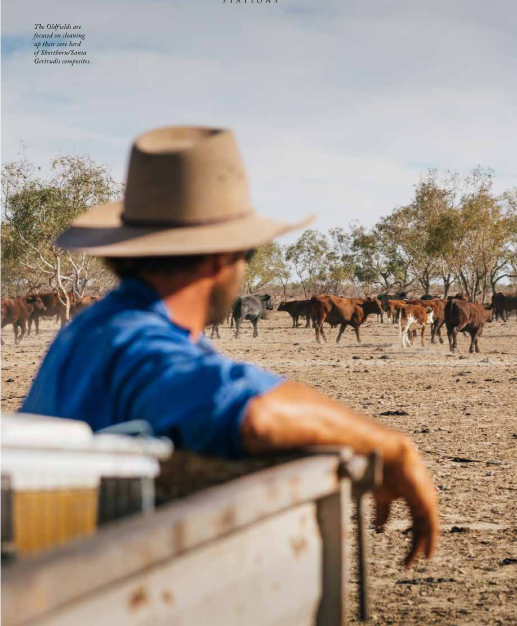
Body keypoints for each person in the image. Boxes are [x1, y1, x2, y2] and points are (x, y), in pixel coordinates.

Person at [21, 126, 439, 566]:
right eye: (248, 255)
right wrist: (393, 447)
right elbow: (254, 412)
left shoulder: (89, 328)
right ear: (222, 259)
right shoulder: (138, 343)